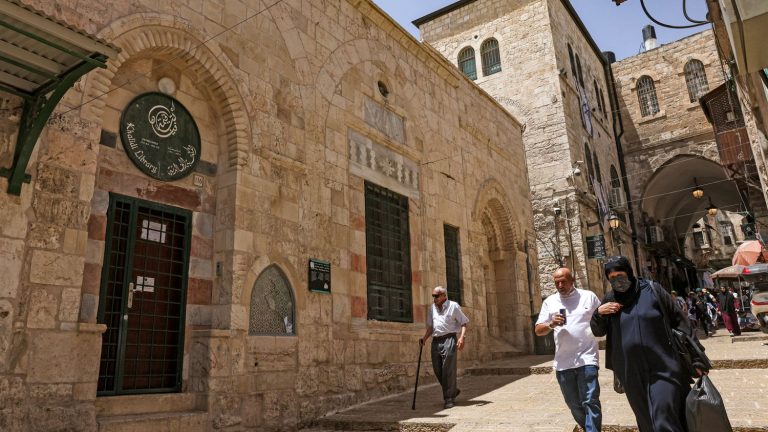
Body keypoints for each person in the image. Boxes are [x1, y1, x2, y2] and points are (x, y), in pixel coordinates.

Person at [591, 256, 708, 432]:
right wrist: (599, 313)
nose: (617, 280)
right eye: (612, 277)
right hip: (631, 374)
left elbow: (681, 321)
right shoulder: (610, 299)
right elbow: (598, 331)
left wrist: (697, 358)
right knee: (646, 422)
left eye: (620, 275)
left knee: (663, 419)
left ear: (629, 272)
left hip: (664, 367)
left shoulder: (653, 290)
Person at [535, 268, 602, 432]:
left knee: (590, 400)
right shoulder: (550, 302)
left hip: (587, 358)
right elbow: (538, 329)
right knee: (573, 403)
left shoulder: (588, 297)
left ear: (572, 280)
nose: (559, 285)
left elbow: (601, 318)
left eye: (563, 281)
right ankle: (588, 428)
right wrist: (551, 324)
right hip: (563, 362)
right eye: (556, 282)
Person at [420, 286, 469, 409]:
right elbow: (431, 327)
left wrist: (462, 338)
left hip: (449, 339)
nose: (434, 298)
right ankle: (453, 390)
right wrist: (424, 339)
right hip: (436, 341)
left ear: (444, 296)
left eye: (436, 296)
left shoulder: (453, 306)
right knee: (438, 370)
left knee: (448, 370)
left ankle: (448, 398)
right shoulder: (432, 309)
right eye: (433, 296)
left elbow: (464, 323)